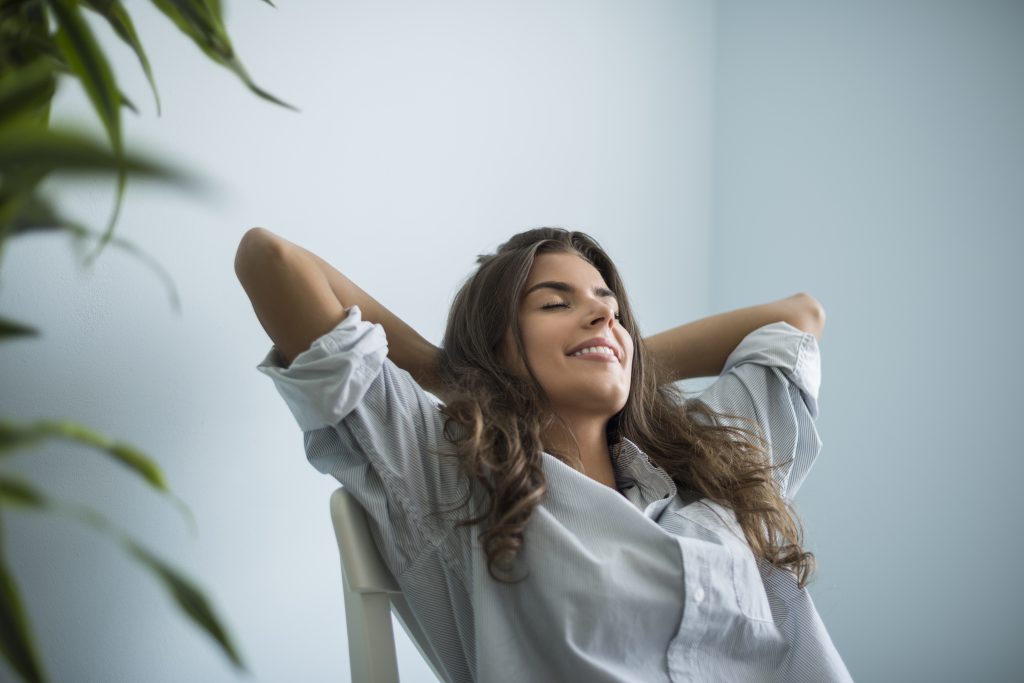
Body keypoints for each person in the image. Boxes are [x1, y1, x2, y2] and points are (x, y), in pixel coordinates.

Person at [235, 226, 852, 682]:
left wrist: (615, 354)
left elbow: (799, 318)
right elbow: (271, 260)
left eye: (611, 308)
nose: (603, 313)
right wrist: (453, 375)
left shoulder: (711, 472)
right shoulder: (452, 480)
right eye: (557, 303)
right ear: (496, 348)